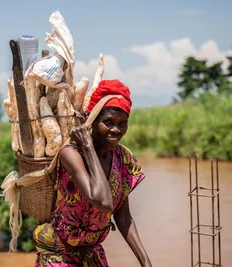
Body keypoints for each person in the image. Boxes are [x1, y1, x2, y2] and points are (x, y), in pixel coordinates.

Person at [33, 80, 152, 267]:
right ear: (93, 120)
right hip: (60, 254)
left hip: (92, 254)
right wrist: (88, 146)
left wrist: (145, 261)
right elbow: (103, 202)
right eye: (108, 122)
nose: (116, 130)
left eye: (122, 124)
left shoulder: (124, 159)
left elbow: (122, 216)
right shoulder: (72, 154)